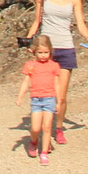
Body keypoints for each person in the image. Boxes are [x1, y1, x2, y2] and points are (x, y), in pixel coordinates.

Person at [26, 0, 88, 143]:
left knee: (61, 94)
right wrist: (29, 40)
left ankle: (58, 128)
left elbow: (81, 23)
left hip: (66, 47)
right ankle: (44, 129)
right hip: (46, 50)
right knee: (45, 91)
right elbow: (37, 21)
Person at [16, 33, 61, 163]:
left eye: (46, 52)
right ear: (34, 51)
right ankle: (34, 141)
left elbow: (57, 84)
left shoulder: (54, 66)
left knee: (47, 127)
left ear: (50, 51)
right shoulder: (31, 65)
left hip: (50, 99)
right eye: (40, 52)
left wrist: (58, 101)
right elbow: (26, 82)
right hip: (36, 100)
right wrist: (20, 97)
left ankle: (44, 152)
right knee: (35, 128)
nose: (43, 55)